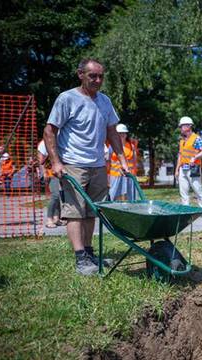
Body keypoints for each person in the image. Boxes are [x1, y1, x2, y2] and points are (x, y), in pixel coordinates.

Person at [43, 58, 129, 276]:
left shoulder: (105, 101)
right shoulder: (67, 98)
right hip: (73, 164)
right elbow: (50, 130)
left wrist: (122, 160)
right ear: (80, 74)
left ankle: (89, 252)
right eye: (93, 76)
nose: (98, 80)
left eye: (101, 76)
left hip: (98, 164)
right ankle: (80, 258)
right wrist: (55, 161)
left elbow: (112, 132)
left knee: (92, 211)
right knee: (74, 212)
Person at [175, 116, 202, 217]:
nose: (181, 128)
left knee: (197, 189)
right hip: (182, 169)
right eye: (180, 126)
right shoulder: (182, 141)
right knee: (183, 191)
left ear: (189, 126)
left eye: (182, 126)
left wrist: (195, 157)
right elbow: (180, 156)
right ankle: (186, 211)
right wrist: (177, 170)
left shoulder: (196, 138)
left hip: (193, 168)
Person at [36, 140, 65, 228]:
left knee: (59, 196)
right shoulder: (44, 143)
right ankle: (49, 219)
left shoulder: (60, 138)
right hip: (50, 172)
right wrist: (44, 172)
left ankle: (56, 218)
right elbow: (40, 160)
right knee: (55, 195)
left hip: (59, 172)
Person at [108, 123, 137, 201]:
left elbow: (134, 162)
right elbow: (108, 162)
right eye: (120, 133)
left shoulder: (131, 146)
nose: (122, 135)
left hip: (129, 175)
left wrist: (134, 175)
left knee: (130, 197)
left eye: (123, 133)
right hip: (115, 176)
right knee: (114, 196)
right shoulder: (111, 146)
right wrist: (107, 176)